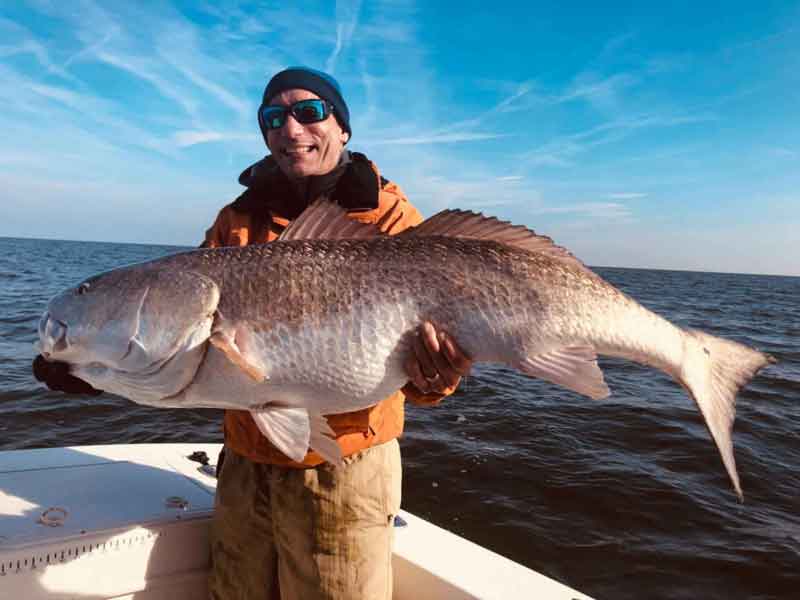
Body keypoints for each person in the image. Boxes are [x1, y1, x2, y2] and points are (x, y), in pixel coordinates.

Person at [34, 67, 472, 600]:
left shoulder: (392, 218)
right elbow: (179, 333)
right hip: (244, 460)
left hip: (346, 467)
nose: (291, 129)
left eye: (310, 112)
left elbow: (434, 365)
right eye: (273, 117)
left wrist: (436, 377)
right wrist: (91, 370)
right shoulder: (236, 219)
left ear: (343, 127)